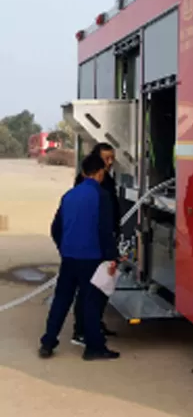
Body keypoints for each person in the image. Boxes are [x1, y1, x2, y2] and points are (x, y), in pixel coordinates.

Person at [39, 152, 121, 361]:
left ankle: (48, 342)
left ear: (83, 172)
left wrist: (64, 248)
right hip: (91, 258)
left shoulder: (69, 195)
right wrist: (112, 258)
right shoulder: (101, 196)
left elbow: (55, 228)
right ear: (100, 172)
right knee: (91, 303)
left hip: (69, 257)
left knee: (61, 300)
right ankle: (94, 347)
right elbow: (105, 230)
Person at [72, 142, 120, 345]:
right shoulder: (85, 183)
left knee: (102, 286)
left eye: (112, 158)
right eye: (105, 159)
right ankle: (80, 330)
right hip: (92, 244)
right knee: (87, 289)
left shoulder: (107, 179)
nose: (109, 163)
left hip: (105, 238)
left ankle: (96, 323)